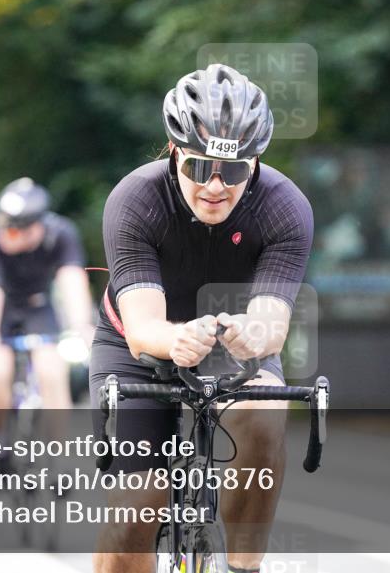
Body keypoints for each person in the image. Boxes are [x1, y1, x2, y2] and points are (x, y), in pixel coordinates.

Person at [91, 63, 314, 573]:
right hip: (138, 348)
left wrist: (247, 333)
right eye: (199, 168)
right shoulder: (136, 199)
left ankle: (243, 567)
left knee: (263, 412)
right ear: (174, 152)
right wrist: (176, 339)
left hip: (229, 346)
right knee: (132, 520)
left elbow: (270, 324)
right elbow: (144, 330)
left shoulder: (285, 208)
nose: (215, 186)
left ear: (255, 161)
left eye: (233, 171)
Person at [0, 177, 94, 447]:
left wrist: (82, 328)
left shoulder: (60, 234)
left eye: (12, 232)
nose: (4, 236)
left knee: (52, 372)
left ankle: (58, 456)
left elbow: (72, 281)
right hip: (0, 310)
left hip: (38, 306)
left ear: (34, 228)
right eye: (2, 229)